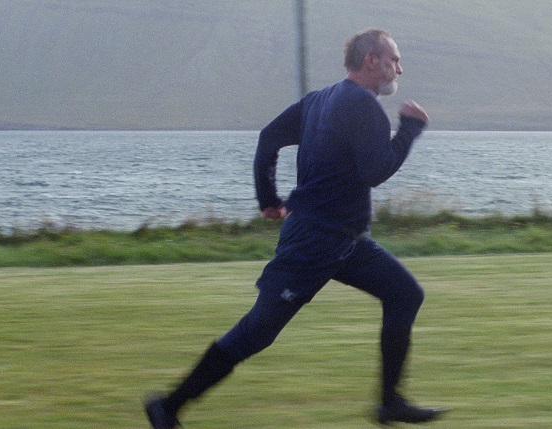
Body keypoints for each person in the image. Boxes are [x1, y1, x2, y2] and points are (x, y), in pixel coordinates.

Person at [144, 28, 446, 428]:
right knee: (256, 332)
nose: (399, 69)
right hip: (314, 243)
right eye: (394, 60)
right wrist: (409, 129)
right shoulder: (364, 106)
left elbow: (269, 138)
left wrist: (267, 198)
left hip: (346, 240)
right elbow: (375, 171)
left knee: (405, 294)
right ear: (371, 60)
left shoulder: (319, 100)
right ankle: (167, 407)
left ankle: (390, 403)